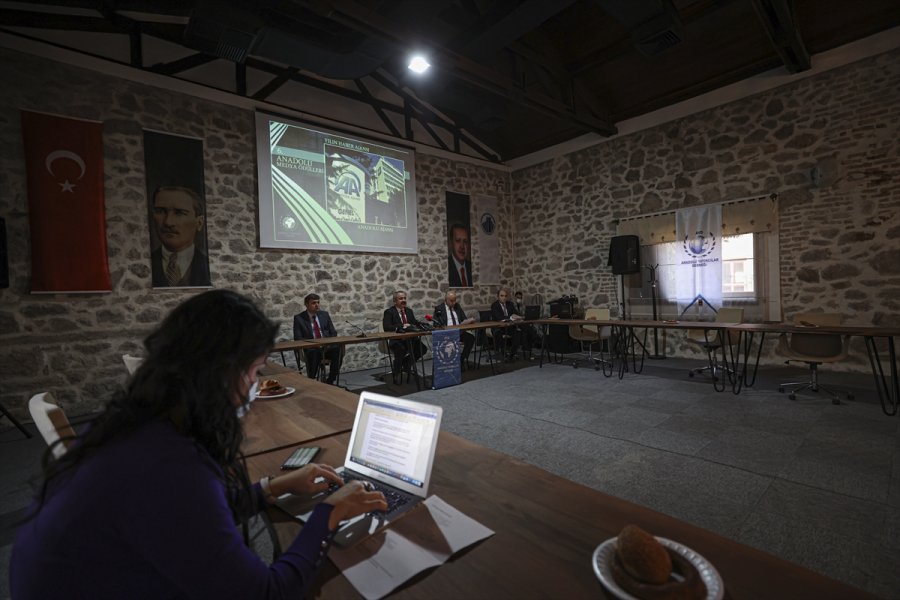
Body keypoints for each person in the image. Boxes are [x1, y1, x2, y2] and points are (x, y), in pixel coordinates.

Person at [11, 290, 386, 599]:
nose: (254, 390)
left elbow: (190, 516)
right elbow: (266, 592)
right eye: (255, 373)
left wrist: (271, 488)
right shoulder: (171, 466)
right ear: (221, 374)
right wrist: (329, 514)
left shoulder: (133, 424)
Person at [150, 186, 211, 287]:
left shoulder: (205, 264)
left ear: (199, 223)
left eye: (179, 213)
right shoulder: (145, 264)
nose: (168, 222)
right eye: (160, 211)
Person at [293, 293, 342, 384]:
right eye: (313, 303)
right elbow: (298, 338)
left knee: (337, 349)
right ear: (306, 304)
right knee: (315, 352)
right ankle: (312, 381)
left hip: (326, 348)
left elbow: (333, 332)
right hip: (311, 349)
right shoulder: (299, 318)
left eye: (318, 302)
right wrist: (313, 344)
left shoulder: (324, 315)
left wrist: (327, 343)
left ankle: (330, 380)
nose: (317, 305)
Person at [382, 290, 427, 384]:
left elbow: (414, 322)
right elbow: (386, 327)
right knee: (401, 350)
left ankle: (406, 363)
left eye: (405, 298)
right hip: (397, 341)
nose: (403, 300)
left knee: (422, 349)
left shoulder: (409, 311)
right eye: (401, 298)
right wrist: (402, 326)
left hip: (410, 339)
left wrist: (423, 325)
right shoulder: (389, 312)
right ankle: (397, 373)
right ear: (395, 301)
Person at [433, 290, 475, 367]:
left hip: (458, 332)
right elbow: (435, 324)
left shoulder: (457, 307)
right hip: (446, 334)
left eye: (455, 300)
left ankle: (461, 359)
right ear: (446, 300)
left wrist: (468, 321)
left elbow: (464, 318)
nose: (454, 302)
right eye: (451, 301)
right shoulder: (439, 309)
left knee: (471, 338)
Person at [491, 287, 530, 361]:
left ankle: (512, 354)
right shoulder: (494, 305)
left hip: (509, 327)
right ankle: (504, 354)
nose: (504, 298)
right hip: (498, 327)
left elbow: (516, 313)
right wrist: (511, 317)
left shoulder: (510, 304)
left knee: (518, 332)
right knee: (498, 333)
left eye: (505, 296)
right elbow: (499, 317)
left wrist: (519, 317)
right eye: (502, 296)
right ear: (498, 296)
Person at [447, 223, 473, 288]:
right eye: (458, 241)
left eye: (465, 241)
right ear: (451, 243)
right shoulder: (446, 267)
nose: (462, 246)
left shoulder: (472, 267)